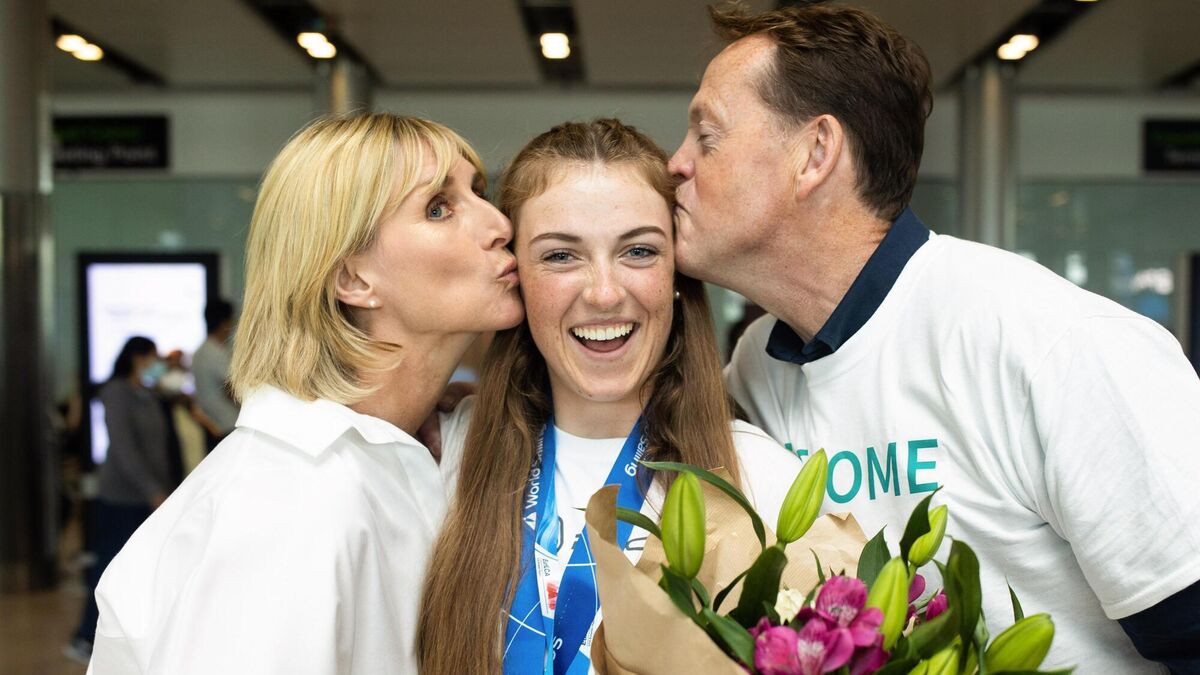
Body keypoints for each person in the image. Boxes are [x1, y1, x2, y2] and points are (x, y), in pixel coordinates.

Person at [666, 3, 1200, 673]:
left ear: (815, 154)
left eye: (706, 136)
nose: (675, 164)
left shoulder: (1050, 345)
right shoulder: (759, 367)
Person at [87, 113, 523, 674]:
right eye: (439, 208)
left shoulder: (413, 448)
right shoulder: (287, 501)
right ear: (353, 280)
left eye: (478, 192)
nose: (499, 224)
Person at [417, 119, 804, 674]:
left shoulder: (758, 479)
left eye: (638, 251)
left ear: (677, 275)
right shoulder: (443, 457)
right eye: (560, 256)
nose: (603, 293)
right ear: (515, 275)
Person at [66, 336, 172, 665]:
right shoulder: (116, 393)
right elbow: (125, 451)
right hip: (123, 498)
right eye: (152, 358)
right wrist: (152, 490)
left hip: (149, 498)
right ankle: (85, 635)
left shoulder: (147, 393)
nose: (156, 365)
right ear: (137, 358)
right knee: (108, 567)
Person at [191, 298, 239, 450]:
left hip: (210, 424)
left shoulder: (200, 352)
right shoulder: (216, 353)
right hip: (226, 425)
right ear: (224, 322)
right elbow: (232, 390)